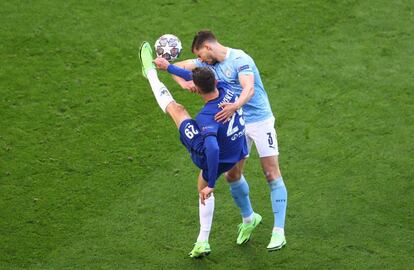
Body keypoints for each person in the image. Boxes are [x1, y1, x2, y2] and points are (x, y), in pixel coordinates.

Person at [154, 30, 288, 251]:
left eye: (202, 57)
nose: (201, 62)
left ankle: (278, 232)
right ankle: (249, 219)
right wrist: (179, 80)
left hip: (258, 119)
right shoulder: (207, 62)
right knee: (233, 174)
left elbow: (249, 88)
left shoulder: (240, 60)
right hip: (235, 120)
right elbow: (185, 68)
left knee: (271, 172)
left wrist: (235, 105)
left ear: (208, 47)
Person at [139, 42, 260, 258]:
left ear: (196, 88)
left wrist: (211, 184)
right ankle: (249, 218)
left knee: (176, 110)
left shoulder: (206, 118)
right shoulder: (227, 89)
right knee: (234, 176)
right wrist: (168, 67)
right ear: (214, 81)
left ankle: (149, 74)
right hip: (238, 148)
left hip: (215, 155)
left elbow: (212, 149)